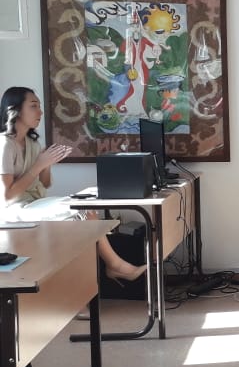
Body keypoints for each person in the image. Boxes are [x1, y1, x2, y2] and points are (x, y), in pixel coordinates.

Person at [0, 86, 147, 283]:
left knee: (87, 208)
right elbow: (7, 196)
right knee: (81, 212)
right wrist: (39, 165)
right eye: (33, 106)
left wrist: (47, 164)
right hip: (14, 210)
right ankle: (114, 266)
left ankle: (98, 275)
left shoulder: (32, 143)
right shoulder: (5, 144)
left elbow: (45, 183)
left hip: (34, 203)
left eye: (40, 106)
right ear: (15, 110)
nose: (40, 112)